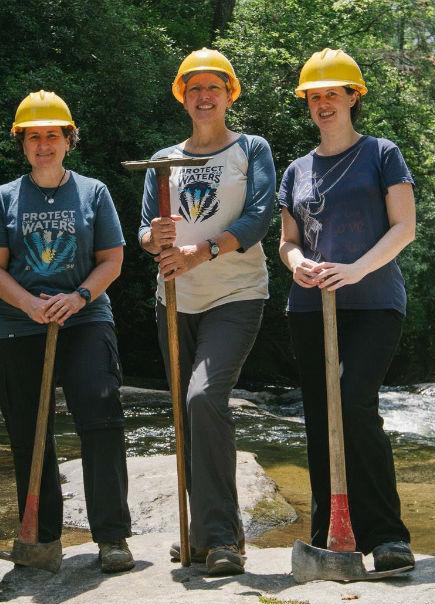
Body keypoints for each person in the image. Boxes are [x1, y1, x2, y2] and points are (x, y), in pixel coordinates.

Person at [0, 91, 134, 574]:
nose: (43, 144)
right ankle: (41, 536)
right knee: (29, 430)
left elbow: (112, 259)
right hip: (16, 326)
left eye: (52, 135)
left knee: (101, 415)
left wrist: (78, 297)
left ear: (68, 139)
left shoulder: (94, 193)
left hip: (84, 318)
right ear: (22, 143)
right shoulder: (4, 198)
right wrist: (28, 302)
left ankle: (111, 537)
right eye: (33, 136)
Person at [277, 48, 417, 572]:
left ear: (353, 97)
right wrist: (296, 265)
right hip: (310, 308)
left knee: (355, 405)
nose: (323, 104)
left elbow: (404, 226)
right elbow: (288, 240)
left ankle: (387, 537)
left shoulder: (382, 153)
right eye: (314, 97)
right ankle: (328, 534)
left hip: (374, 302)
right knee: (320, 416)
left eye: (332, 94)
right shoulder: (297, 169)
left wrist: (356, 268)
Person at [138, 48, 275, 576]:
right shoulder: (164, 157)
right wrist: (156, 239)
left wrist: (203, 250)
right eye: (193, 88)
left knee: (203, 397)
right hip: (173, 300)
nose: (204, 96)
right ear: (183, 97)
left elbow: (260, 216)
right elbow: (146, 226)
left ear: (229, 94)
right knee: (185, 415)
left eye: (213, 87)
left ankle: (221, 538)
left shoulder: (251, 149)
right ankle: (206, 534)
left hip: (236, 295)